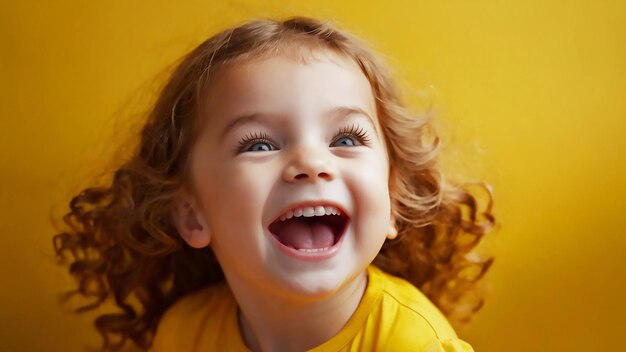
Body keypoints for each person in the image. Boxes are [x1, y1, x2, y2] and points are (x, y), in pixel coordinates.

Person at [54, 16, 494, 352]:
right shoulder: (184, 334)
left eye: (345, 138)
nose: (310, 163)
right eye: (259, 145)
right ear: (192, 213)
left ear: (393, 200)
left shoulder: (411, 343)